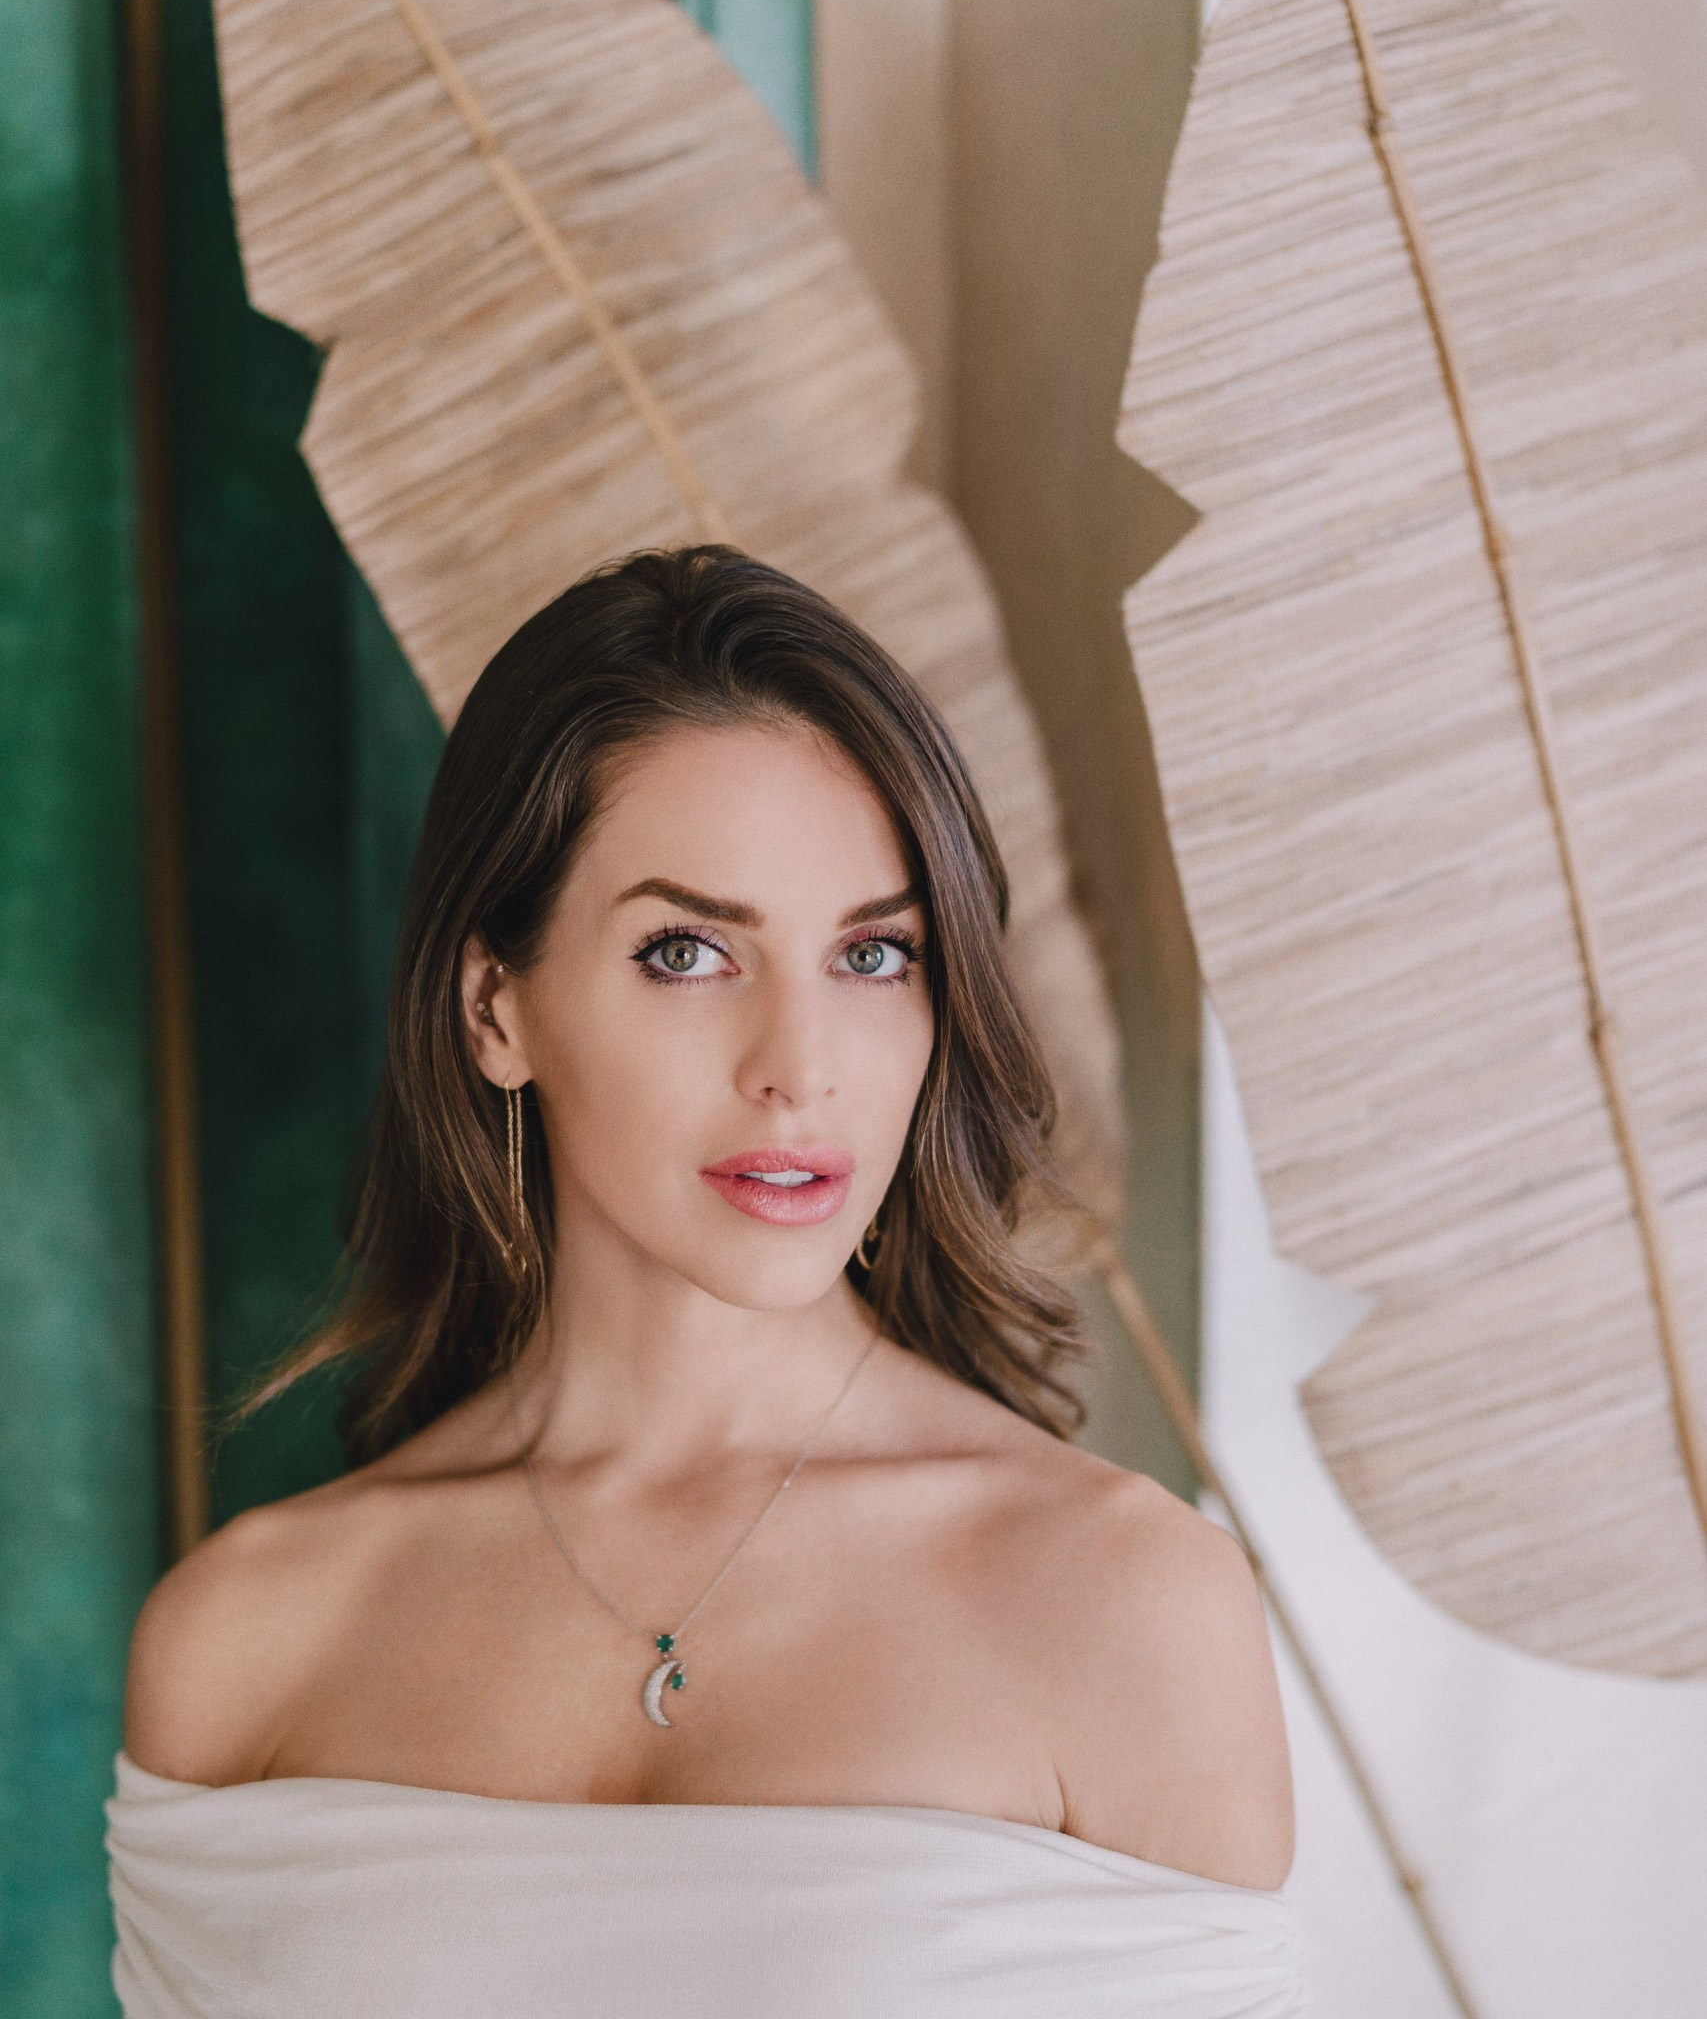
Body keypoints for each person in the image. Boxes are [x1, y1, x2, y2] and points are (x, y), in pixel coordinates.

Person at [109, 547, 1304, 2017]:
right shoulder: (246, 1640)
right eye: (687, 952)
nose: (799, 1066)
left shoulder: (1126, 1604)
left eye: (874, 955)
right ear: (495, 1008)